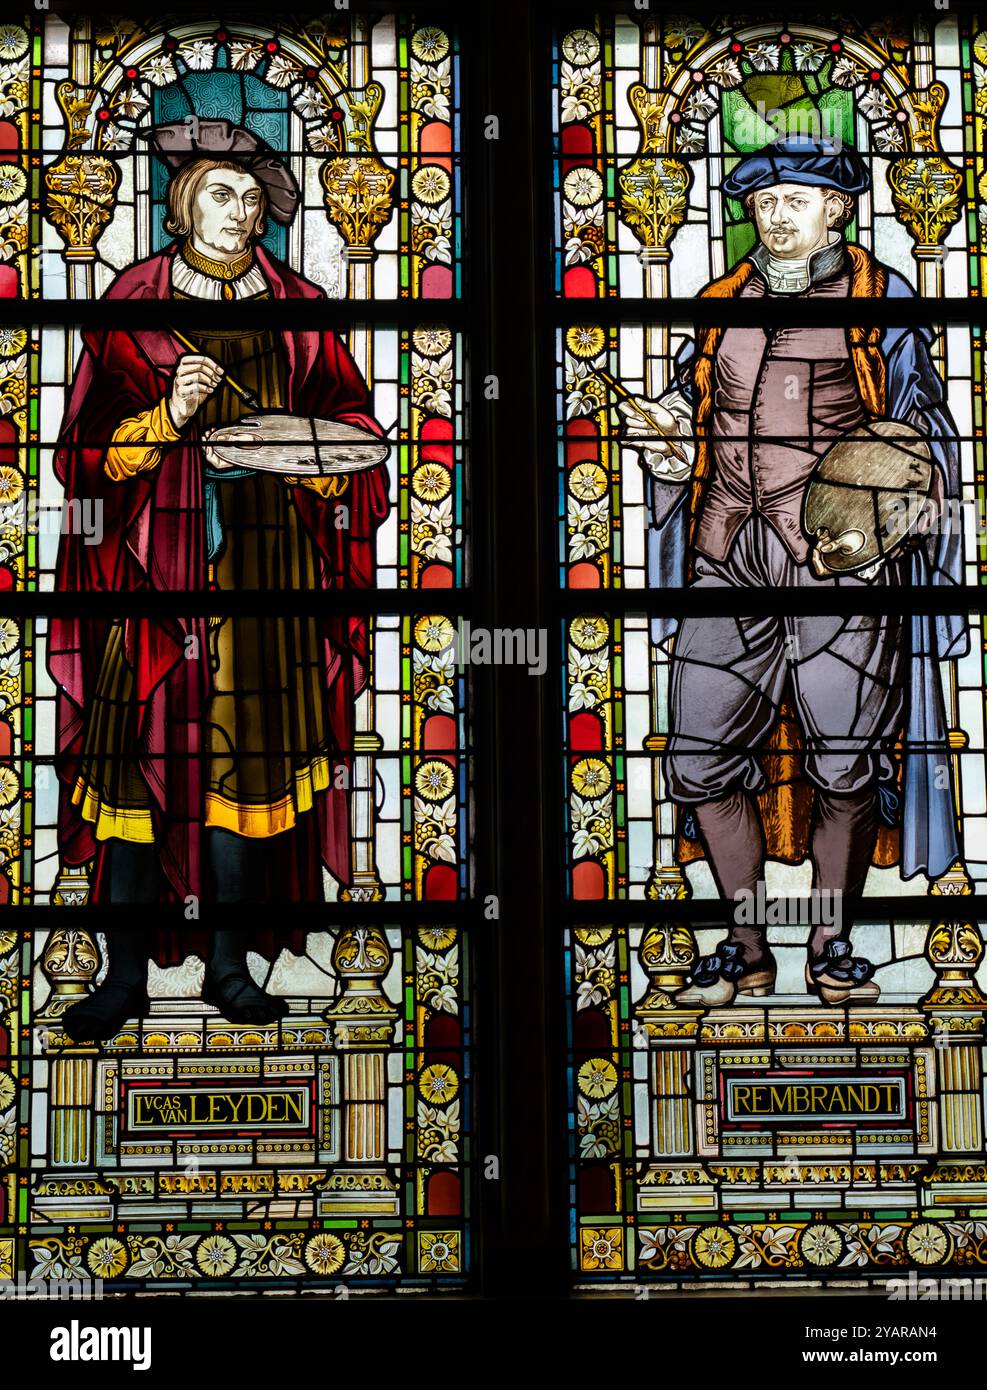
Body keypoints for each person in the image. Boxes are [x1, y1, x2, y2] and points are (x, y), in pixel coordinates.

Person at [49, 120, 390, 1040]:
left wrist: (311, 461)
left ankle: (231, 968)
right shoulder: (134, 302)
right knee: (135, 771)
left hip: (267, 571)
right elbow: (80, 456)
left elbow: (356, 431)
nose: (237, 212)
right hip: (152, 579)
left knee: (247, 773)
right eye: (217, 194)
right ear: (180, 206)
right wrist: (169, 416)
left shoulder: (300, 303)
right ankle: (122, 978)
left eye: (248, 198)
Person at [620, 136, 965, 1006]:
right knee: (698, 758)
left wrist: (889, 525)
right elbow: (695, 413)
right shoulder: (722, 302)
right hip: (725, 555)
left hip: (838, 567)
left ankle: (830, 941)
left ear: (836, 210)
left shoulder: (879, 303)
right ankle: (743, 944)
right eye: (764, 202)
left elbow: (921, 430)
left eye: (795, 200)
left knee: (845, 761)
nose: (775, 216)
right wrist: (669, 450)